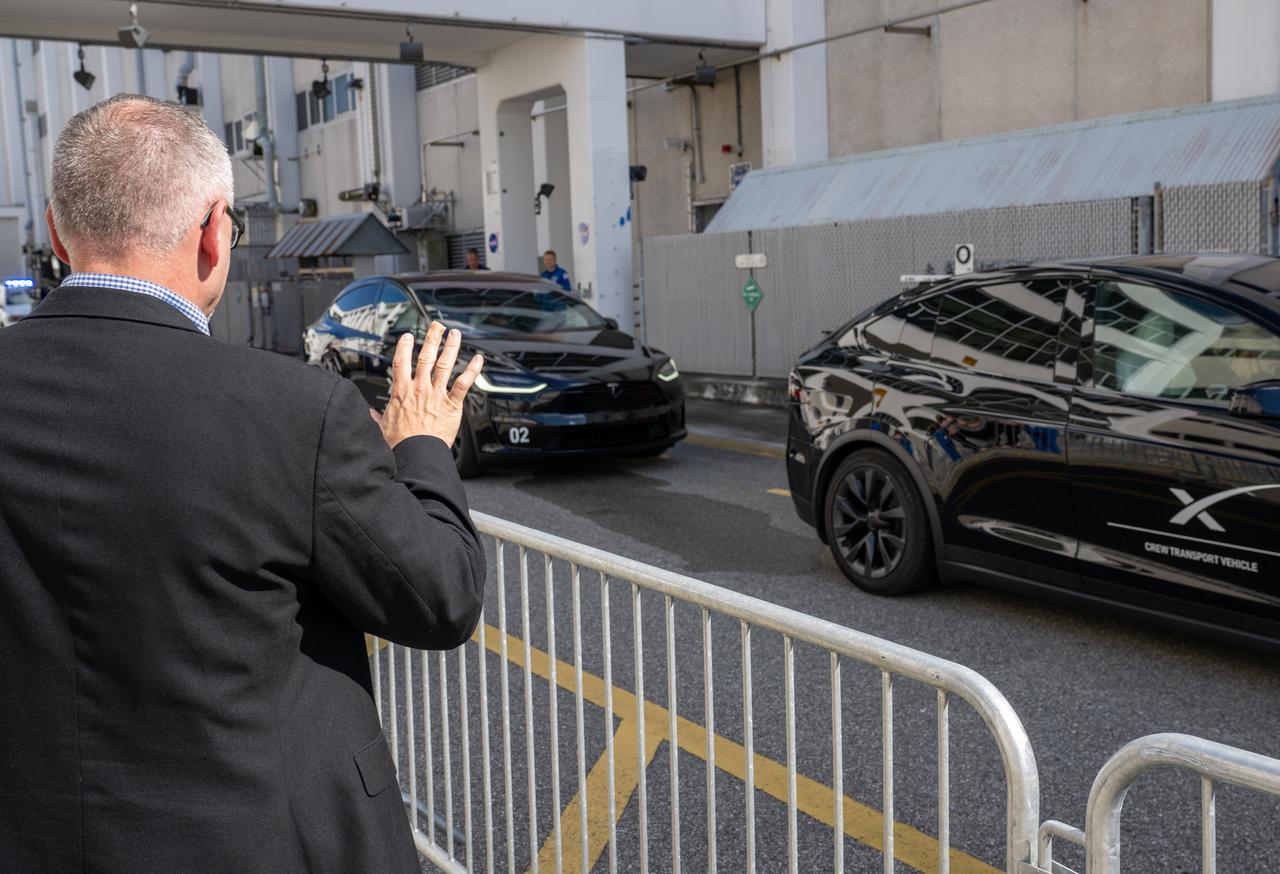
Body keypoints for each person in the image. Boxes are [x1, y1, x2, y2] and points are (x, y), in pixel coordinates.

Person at [0, 94, 487, 873]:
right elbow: (438, 598)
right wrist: (423, 448)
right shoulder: (294, 410)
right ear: (212, 232)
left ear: (57, 233)